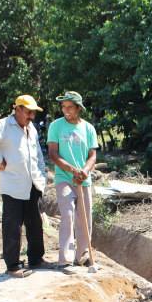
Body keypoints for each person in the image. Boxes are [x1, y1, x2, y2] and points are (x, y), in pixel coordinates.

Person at [0, 94, 48, 277]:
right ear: (18, 109)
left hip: (33, 183)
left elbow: (37, 153)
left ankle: (36, 259)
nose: (31, 116)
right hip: (13, 185)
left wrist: (42, 173)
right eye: (28, 112)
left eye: (33, 113)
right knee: (12, 225)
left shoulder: (31, 128)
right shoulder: (4, 126)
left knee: (35, 224)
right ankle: (13, 265)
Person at [46, 91, 97, 268]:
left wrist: (84, 171)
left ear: (78, 108)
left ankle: (82, 255)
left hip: (83, 179)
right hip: (64, 177)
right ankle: (65, 257)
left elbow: (92, 155)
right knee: (67, 214)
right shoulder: (56, 126)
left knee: (85, 218)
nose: (65, 110)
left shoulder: (88, 128)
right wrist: (71, 169)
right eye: (63, 107)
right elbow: (53, 153)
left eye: (69, 107)